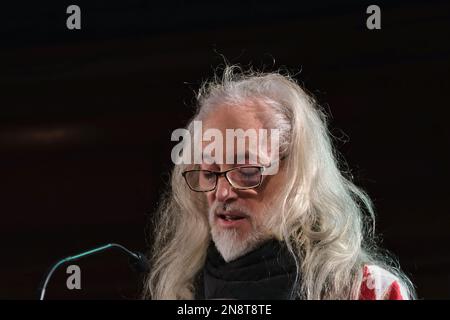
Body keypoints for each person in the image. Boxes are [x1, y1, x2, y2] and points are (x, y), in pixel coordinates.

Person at [143, 65, 416, 300]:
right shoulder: (180, 293)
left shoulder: (364, 291)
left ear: (298, 176)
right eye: (210, 173)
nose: (223, 192)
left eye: (247, 171)